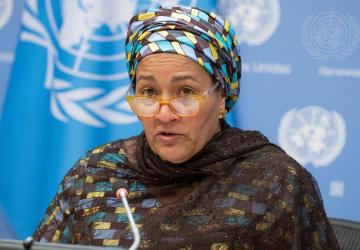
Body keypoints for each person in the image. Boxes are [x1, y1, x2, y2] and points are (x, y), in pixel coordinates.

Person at [33, 6, 339, 249]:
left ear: (222, 97)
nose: (164, 115)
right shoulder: (95, 174)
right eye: (149, 93)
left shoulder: (274, 181)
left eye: (186, 93)